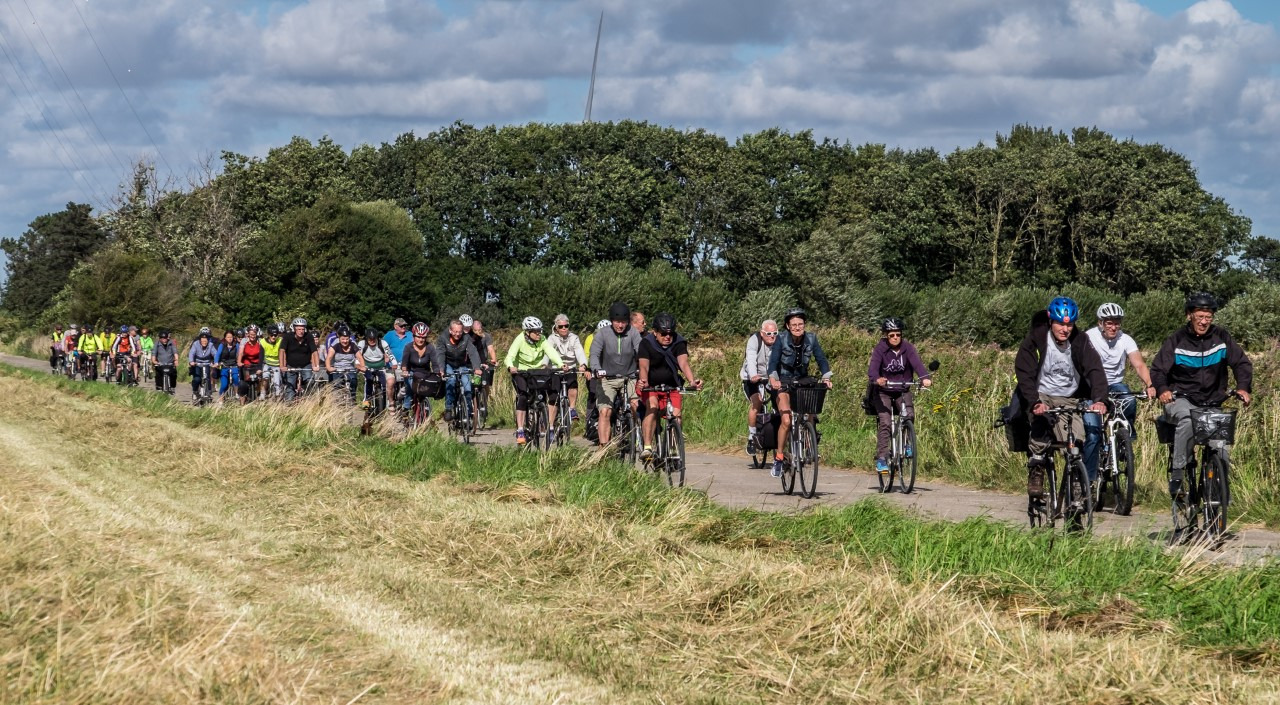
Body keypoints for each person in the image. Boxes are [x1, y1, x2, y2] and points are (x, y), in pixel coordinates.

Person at [1150, 292, 1253, 499]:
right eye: (1200, 317)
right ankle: (1178, 475)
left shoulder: (1221, 337)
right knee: (1187, 420)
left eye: (1208, 317)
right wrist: (1163, 390)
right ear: (1189, 315)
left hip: (1213, 401)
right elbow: (1158, 370)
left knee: (1220, 444)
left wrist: (1243, 387)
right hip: (1181, 398)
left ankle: (1220, 490)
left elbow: (1241, 363)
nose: (1204, 322)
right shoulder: (1177, 340)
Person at [1014, 297, 1108, 498]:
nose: (1065, 329)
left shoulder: (1080, 340)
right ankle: (1036, 468)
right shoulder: (1036, 338)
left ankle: (1075, 481)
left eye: (1069, 325)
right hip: (1042, 395)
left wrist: (1100, 399)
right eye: (1061, 324)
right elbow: (1024, 371)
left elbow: (1095, 369)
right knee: (1040, 423)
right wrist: (1034, 402)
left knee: (1077, 439)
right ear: (1050, 320)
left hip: (1070, 398)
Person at [1081, 302, 1158, 481]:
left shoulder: (1125, 339)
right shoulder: (1088, 337)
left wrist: (1149, 384)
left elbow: (1138, 364)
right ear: (1100, 323)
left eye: (1117, 323)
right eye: (1109, 323)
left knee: (1129, 398)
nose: (1114, 327)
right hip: (1092, 387)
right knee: (1093, 434)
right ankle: (1088, 481)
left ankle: (1126, 439)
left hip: (1114, 384)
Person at [767, 308, 834, 477]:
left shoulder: (811, 339)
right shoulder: (781, 339)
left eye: (800, 324)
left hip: (802, 380)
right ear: (788, 327)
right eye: (794, 324)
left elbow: (821, 359)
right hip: (783, 380)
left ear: (804, 325)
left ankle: (809, 445)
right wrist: (773, 379)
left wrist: (826, 377)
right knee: (787, 420)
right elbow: (773, 362)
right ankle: (780, 457)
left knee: (810, 411)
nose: (797, 327)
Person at [868, 317, 933, 475]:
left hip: (903, 389)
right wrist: (878, 379)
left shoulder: (908, 348)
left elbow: (917, 364)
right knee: (885, 422)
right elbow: (873, 370)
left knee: (909, 415)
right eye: (892, 335)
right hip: (883, 391)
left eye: (898, 334)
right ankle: (882, 458)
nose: (895, 337)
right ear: (886, 336)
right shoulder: (880, 349)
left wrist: (925, 378)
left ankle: (907, 444)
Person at [637, 313, 703, 460]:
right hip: (651, 385)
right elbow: (643, 365)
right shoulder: (646, 343)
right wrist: (644, 381)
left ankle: (673, 450)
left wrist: (692, 381)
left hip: (672, 384)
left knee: (677, 416)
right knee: (652, 407)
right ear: (655, 332)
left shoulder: (678, 342)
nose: (667, 337)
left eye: (670, 333)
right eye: (663, 334)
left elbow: (683, 363)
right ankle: (647, 447)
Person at [504, 316, 566, 445]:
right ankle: (520, 429)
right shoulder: (520, 339)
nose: (539, 334)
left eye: (540, 331)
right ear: (527, 332)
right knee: (522, 396)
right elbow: (510, 356)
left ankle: (547, 424)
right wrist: (511, 366)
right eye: (536, 331)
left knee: (546, 394)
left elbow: (551, 352)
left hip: (537, 372)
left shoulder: (542, 339)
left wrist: (561, 364)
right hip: (521, 371)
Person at [589, 302, 642, 446]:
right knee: (605, 411)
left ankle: (638, 435)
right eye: (617, 322)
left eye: (624, 322)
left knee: (636, 404)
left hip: (629, 377)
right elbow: (594, 354)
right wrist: (596, 369)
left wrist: (643, 370)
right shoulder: (602, 334)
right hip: (607, 378)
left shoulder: (633, 333)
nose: (620, 325)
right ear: (612, 321)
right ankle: (604, 447)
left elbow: (642, 353)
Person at [740, 319, 779, 454]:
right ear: (762, 333)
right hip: (752, 377)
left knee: (780, 403)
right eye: (768, 333)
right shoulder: (754, 340)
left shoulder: (779, 342)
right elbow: (751, 358)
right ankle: (751, 437)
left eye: (775, 333)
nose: (772, 336)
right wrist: (753, 374)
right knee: (757, 403)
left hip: (771, 378)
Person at [434, 319, 483, 423]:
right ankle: (448, 408)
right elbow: (440, 354)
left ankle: (468, 413)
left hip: (461, 365)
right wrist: (441, 369)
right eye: (455, 332)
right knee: (450, 381)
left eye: (460, 332)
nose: (458, 334)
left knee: (467, 386)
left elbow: (473, 352)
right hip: (448, 365)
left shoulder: (466, 338)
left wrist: (477, 368)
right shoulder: (443, 338)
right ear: (450, 331)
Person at [548, 313, 589, 421]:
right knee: (553, 396)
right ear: (556, 328)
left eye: (566, 326)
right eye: (561, 326)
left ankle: (572, 408)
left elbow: (579, 351)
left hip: (570, 367)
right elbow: (547, 353)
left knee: (573, 384)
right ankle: (551, 424)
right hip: (556, 368)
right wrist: (544, 365)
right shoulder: (551, 339)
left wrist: (583, 364)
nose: (564, 328)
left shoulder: (574, 338)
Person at [400, 322, 438, 415]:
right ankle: (406, 407)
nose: (420, 339)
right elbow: (404, 363)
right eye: (418, 337)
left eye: (423, 337)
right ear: (414, 336)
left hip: (425, 374)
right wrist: (404, 371)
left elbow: (435, 364)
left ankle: (424, 411)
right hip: (411, 373)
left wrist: (438, 373)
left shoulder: (430, 348)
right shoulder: (408, 347)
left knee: (426, 391)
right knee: (410, 389)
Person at [583, 319, 611, 443]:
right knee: (593, 395)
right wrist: (588, 369)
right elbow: (588, 354)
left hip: (609, 370)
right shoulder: (591, 338)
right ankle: (589, 424)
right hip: (594, 369)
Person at [280, 318, 319, 401]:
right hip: (291, 365)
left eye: (302, 329)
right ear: (294, 329)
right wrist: (282, 366)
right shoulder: (288, 337)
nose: (301, 331)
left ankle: (309, 400)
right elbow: (282, 351)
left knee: (310, 381)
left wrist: (316, 365)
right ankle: (289, 405)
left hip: (305, 365)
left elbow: (314, 351)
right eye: (299, 329)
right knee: (290, 386)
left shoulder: (309, 336)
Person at [358, 328, 396, 409]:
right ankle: (366, 400)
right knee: (368, 380)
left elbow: (389, 354)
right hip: (367, 367)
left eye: (374, 339)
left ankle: (386, 403)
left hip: (381, 366)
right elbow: (357, 356)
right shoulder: (362, 344)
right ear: (366, 338)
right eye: (370, 339)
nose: (372, 341)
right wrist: (359, 366)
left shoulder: (382, 343)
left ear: (377, 338)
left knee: (384, 383)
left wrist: (394, 363)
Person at [325, 326, 360, 403]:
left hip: (350, 368)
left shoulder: (353, 343)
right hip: (337, 368)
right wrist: (329, 367)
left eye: (347, 338)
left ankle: (353, 399)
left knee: (353, 381)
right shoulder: (335, 343)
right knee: (337, 384)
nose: (345, 341)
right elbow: (329, 357)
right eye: (343, 339)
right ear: (339, 337)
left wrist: (362, 366)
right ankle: (336, 403)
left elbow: (359, 356)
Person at [235, 325, 265, 402]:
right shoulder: (244, 341)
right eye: (251, 334)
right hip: (246, 364)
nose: (252, 336)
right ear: (248, 334)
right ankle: (242, 401)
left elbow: (262, 354)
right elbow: (241, 353)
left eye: (254, 334)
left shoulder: (260, 341)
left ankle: (259, 395)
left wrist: (260, 367)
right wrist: (239, 362)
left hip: (257, 364)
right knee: (243, 383)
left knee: (259, 380)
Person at [188, 328, 218, 397]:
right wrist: (191, 361)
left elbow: (215, 354)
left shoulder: (211, 345)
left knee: (207, 377)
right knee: (197, 379)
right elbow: (191, 353)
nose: (204, 340)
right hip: (197, 364)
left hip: (207, 364)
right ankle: (195, 391)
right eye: (202, 339)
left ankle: (209, 393)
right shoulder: (195, 344)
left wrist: (216, 362)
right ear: (200, 339)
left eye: (206, 339)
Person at [214, 330, 240, 402]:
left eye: (231, 337)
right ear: (225, 338)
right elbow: (218, 354)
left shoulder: (236, 345)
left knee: (236, 379)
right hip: (224, 365)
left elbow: (239, 354)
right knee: (224, 384)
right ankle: (221, 398)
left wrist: (239, 362)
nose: (230, 338)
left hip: (234, 365)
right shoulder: (222, 345)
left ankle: (236, 393)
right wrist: (216, 362)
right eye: (228, 337)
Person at [260, 325, 283, 396]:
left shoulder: (280, 341)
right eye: (271, 335)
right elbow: (261, 356)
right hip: (266, 363)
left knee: (277, 381)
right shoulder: (263, 342)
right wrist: (259, 368)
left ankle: (278, 393)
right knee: (265, 377)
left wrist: (282, 365)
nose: (273, 337)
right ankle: (262, 394)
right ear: (268, 335)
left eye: (275, 335)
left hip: (277, 364)